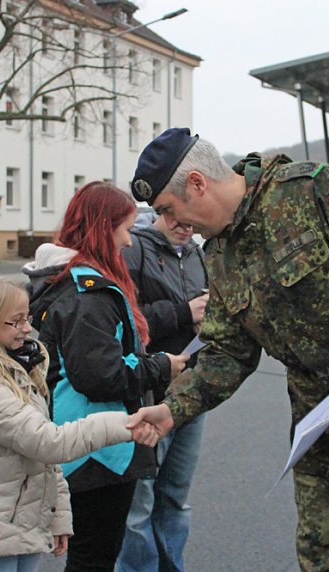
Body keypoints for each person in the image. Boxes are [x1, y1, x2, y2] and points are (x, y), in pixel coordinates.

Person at [129, 128, 329, 571]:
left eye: (169, 209)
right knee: (322, 560)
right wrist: (172, 410)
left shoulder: (313, 191)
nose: (174, 224)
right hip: (327, 422)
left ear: (198, 184)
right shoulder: (221, 253)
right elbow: (228, 353)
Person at [22, 182, 189, 572]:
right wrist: (162, 365)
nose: (129, 242)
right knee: (94, 558)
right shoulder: (87, 294)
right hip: (97, 451)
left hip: (91, 442)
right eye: (125, 229)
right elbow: (101, 375)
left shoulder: (75, 285)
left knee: (91, 555)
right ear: (103, 227)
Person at [0, 274, 161, 572]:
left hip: (23, 525)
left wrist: (58, 517)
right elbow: (48, 443)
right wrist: (124, 425)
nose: (28, 329)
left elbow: (46, 468)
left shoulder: (18, 374)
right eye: (15, 322)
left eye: (27, 318)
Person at [117, 212, 209, 572]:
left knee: (175, 499)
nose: (186, 228)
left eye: (192, 222)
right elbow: (128, 318)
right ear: (162, 210)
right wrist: (184, 312)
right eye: (179, 220)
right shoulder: (136, 248)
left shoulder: (197, 254)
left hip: (193, 391)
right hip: (151, 393)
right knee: (139, 505)